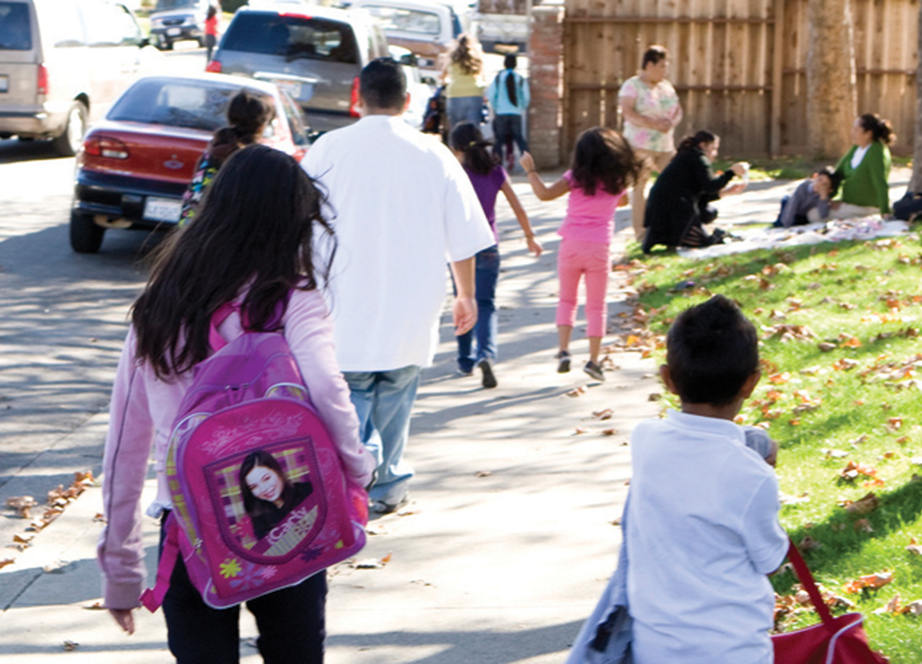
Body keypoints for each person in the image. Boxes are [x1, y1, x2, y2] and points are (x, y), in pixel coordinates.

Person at [97, 144, 376, 662]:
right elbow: (327, 386)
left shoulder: (159, 306)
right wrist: (358, 468)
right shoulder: (292, 298)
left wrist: (121, 570)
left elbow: (124, 450)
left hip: (191, 530)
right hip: (288, 519)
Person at [302, 58, 494, 514]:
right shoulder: (434, 153)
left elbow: (298, 223)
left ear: (358, 96)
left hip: (342, 302)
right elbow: (464, 235)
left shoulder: (328, 148)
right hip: (411, 303)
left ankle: (350, 484)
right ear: (408, 101)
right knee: (396, 398)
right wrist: (466, 294)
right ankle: (385, 484)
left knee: (350, 400)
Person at [625, 294, 788, 663]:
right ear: (750, 384)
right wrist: (763, 468)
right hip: (731, 648)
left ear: (668, 378)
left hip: (654, 645)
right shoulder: (751, 476)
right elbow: (771, 560)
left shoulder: (645, 440)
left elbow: (698, 453)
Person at [519, 127, 641, 382]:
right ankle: (594, 361)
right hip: (599, 248)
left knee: (567, 300)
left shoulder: (574, 178)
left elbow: (543, 194)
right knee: (596, 306)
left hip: (571, 245)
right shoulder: (617, 182)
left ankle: (563, 350)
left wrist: (530, 170)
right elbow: (624, 202)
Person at [449, 122, 542, 388]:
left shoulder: (455, 174)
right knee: (486, 303)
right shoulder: (496, 171)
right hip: (488, 246)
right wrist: (530, 237)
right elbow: (519, 208)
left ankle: (465, 358)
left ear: (456, 149)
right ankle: (485, 354)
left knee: (463, 297)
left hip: (459, 249)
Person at [178, 89, 274, 227]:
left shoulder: (212, 150)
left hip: (190, 231)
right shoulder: (257, 160)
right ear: (263, 124)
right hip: (223, 236)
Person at [642, 130, 747, 253]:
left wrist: (726, 192)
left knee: (709, 212)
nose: (715, 154)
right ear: (703, 145)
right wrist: (731, 173)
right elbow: (710, 186)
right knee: (705, 241)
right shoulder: (698, 157)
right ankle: (677, 238)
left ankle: (671, 239)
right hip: (675, 209)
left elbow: (701, 193)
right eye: (713, 149)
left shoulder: (687, 157)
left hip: (664, 208)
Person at [619, 45, 683, 241]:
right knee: (641, 187)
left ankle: (673, 227)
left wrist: (672, 122)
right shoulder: (632, 86)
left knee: (674, 184)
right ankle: (641, 232)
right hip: (641, 145)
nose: (665, 71)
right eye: (662, 66)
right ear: (649, 65)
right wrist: (653, 124)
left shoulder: (666, 87)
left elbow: (678, 109)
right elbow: (628, 112)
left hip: (665, 145)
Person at [240, 450, 314, 541]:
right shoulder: (259, 517)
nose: (264, 489)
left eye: (266, 478)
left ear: (277, 471)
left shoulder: (308, 491)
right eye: (254, 486)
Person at [830, 113, 894, 218]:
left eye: (856, 130)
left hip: (865, 208)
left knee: (813, 214)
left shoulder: (876, 152)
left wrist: (885, 211)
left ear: (868, 134)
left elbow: (880, 183)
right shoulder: (856, 148)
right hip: (849, 204)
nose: (852, 133)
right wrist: (828, 197)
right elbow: (838, 173)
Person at [487, 53, 530, 172]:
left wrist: (496, 107)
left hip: (501, 112)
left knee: (499, 140)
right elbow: (526, 97)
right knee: (519, 139)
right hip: (515, 112)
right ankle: (528, 166)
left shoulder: (498, 78)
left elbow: (491, 95)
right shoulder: (520, 78)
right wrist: (521, 107)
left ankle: (499, 167)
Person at [440, 34, 485, 130]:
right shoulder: (476, 58)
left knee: (456, 128)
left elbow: (443, 76)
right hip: (474, 93)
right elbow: (482, 75)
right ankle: (473, 144)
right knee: (474, 128)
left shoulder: (452, 58)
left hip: (455, 93)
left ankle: (457, 144)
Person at [772, 166, 841, 228]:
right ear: (815, 177)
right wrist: (787, 225)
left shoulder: (822, 197)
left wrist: (823, 197)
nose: (820, 185)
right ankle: (780, 222)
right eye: (820, 180)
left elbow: (823, 215)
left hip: (802, 214)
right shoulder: (803, 187)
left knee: (802, 222)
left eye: (824, 185)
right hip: (790, 207)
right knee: (782, 217)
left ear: (829, 190)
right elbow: (792, 205)